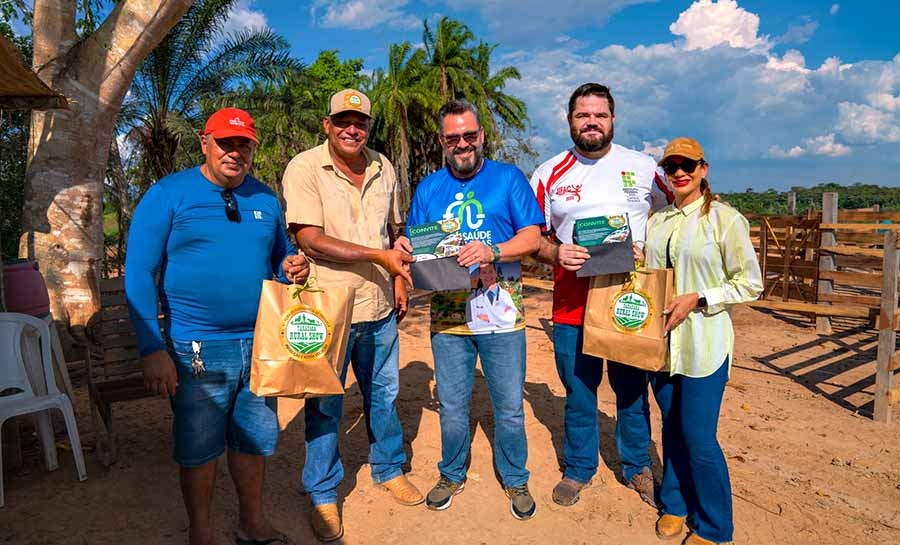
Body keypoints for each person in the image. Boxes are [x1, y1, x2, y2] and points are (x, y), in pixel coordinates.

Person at [125, 107, 308, 545]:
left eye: (243, 144)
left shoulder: (265, 199)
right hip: (197, 349)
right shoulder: (168, 194)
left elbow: (280, 263)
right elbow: (137, 273)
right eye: (225, 142)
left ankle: (252, 522)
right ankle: (202, 533)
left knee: (254, 439)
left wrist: (291, 268)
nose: (234, 152)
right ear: (204, 143)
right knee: (199, 445)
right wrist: (152, 349)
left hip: (262, 343)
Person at [281, 89, 421, 542]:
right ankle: (323, 493)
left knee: (383, 395)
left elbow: (392, 233)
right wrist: (380, 258)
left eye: (359, 122)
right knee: (325, 403)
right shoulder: (305, 168)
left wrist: (396, 276)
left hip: (378, 307)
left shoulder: (384, 167)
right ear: (327, 124)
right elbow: (312, 240)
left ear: (368, 127)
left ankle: (388, 468)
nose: (351, 129)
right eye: (342, 120)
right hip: (327, 309)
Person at [395, 99, 543, 520]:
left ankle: (515, 478)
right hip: (448, 314)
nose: (462, 143)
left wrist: (493, 249)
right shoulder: (428, 188)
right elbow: (418, 245)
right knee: (453, 405)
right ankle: (451, 473)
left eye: (469, 135)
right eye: (453, 137)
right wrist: (406, 249)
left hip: (501, 312)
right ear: (442, 141)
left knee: (510, 405)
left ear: (481, 136)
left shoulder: (508, 178)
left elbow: (532, 237)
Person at [530, 83, 673, 507]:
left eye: (600, 114)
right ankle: (578, 469)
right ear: (570, 121)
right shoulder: (548, 172)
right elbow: (532, 238)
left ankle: (638, 467)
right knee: (578, 389)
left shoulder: (645, 167)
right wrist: (556, 252)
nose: (591, 121)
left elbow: (677, 213)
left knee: (631, 389)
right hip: (572, 302)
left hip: (629, 299)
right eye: (582, 115)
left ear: (613, 119)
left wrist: (650, 249)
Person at [640, 137, 761, 545]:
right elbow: (649, 275)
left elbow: (750, 283)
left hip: (704, 345)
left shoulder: (725, 220)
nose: (680, 172)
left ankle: (715, 526)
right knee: (671, 427)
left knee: (698, 436)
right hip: (661, 345)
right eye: (672, 166)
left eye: (687, 165)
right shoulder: (657, 222)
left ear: (703, 169)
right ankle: (675, 503)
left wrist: (701, 298)